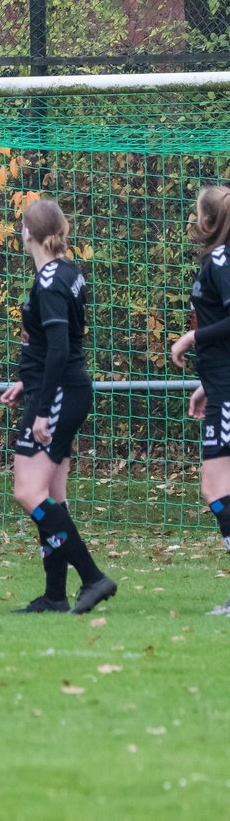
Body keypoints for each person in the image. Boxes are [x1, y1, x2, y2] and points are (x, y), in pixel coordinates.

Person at [1, 199, 114, 615]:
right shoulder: (67, 271)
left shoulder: (49, 280)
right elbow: (51, 345)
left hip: (60, 395)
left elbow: (61, 348)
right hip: (64, 390)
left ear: (27, 233)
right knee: (52, 495)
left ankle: (93, 577)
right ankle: (53, 596)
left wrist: (44, 408)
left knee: (28, 492)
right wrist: (25, 382)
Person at [171, 185, 230, 616]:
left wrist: (192, 337)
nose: (193, 221)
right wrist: (208, 383)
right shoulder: (218, 260)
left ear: (208, 221)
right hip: (221, 385)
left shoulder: (222, 260)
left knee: (215, 489)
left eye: (196, 214)